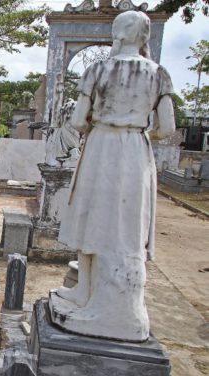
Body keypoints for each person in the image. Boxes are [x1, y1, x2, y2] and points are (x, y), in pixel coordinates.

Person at [52, 11, 176, 341]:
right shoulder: (158, 73)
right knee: (123, 224)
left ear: (117, 33)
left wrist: (105, 119)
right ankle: (84, 294)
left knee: (93, 218)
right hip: (135, 150)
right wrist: (136, 128)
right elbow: (168, 127)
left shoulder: (97, 69)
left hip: (101, 146)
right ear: (145, 37)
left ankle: (95, 298)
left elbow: (78, 121)